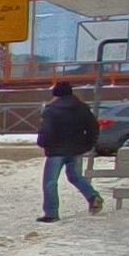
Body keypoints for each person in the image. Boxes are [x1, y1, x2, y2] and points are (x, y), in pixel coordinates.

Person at [35, 81, 105, 223]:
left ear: (56, 94)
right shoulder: (82, 107)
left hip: (56, 151)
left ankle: (51, 213)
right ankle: (93, 197)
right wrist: (88, 144)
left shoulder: (51, 110)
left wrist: (42, 142)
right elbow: (93, 127)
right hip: (76, 149)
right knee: (75, 177)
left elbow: (46, 130)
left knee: (50, 182)